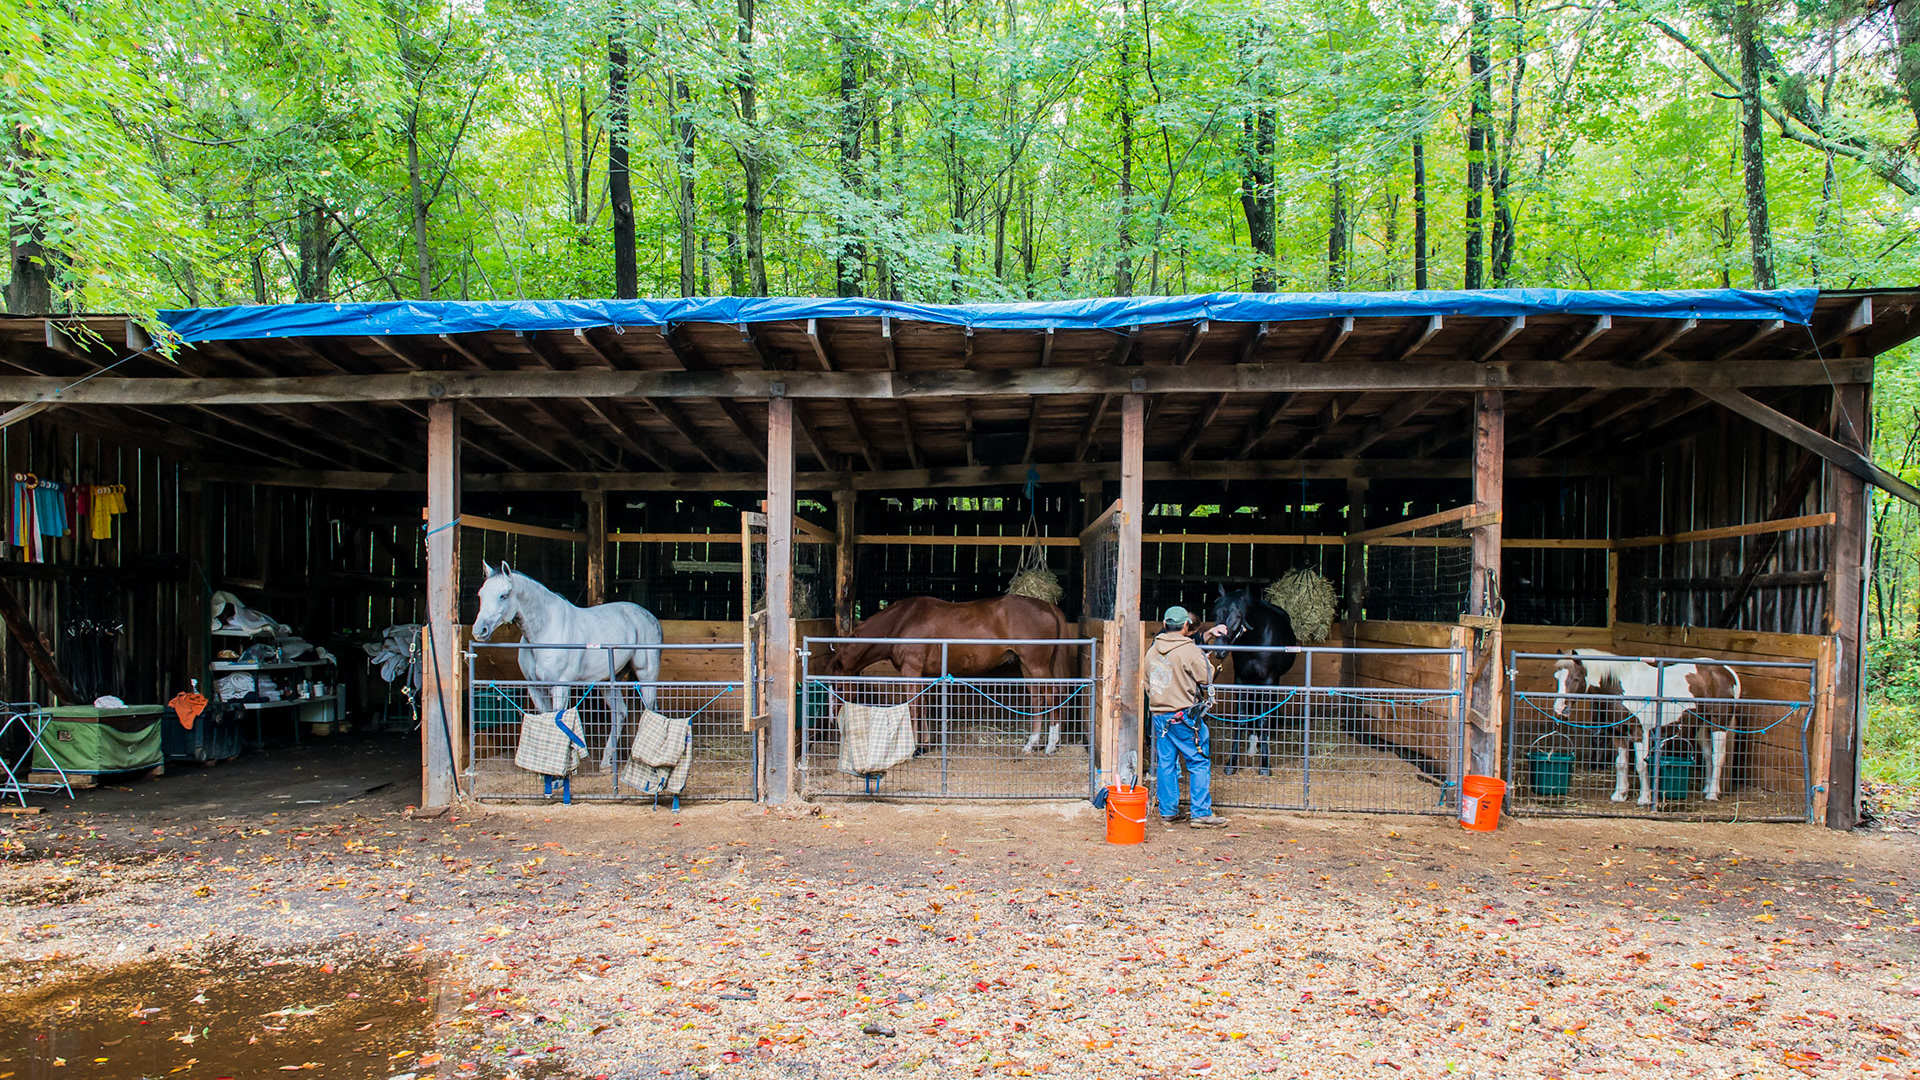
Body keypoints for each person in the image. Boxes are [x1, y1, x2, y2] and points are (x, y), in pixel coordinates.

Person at [1147, 605, 1229, 829]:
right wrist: (1207, 661)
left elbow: (1148, 683)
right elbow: (1206, 678)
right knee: (1198, 760)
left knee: (1166, 762)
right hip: (1184, 715)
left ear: (1164, 625)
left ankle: (1168, 811)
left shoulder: (1152, 651)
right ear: (1185, 626)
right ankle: (1201, 812)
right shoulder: (1190, 650)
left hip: (1160, 715)